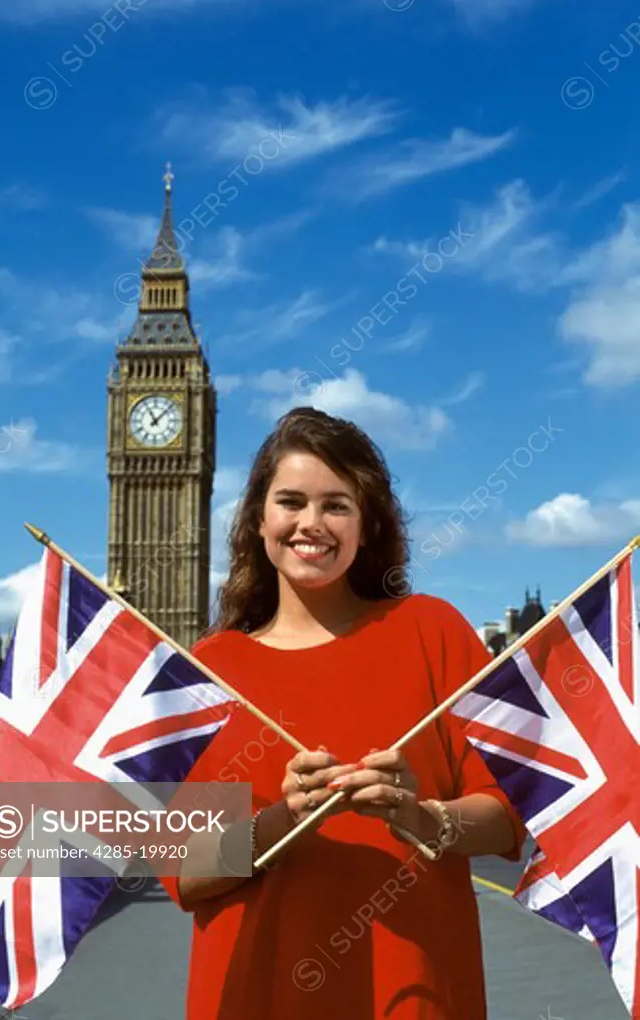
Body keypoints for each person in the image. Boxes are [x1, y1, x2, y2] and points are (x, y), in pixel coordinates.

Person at [159, 406, 526, 1020]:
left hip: (415, 994)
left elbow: (509, 818)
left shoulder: (430, 632)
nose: (312, 523)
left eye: (337, 505)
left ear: (366, 523)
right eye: (291, 501)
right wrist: (284, 819)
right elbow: (184, 873)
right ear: (258, 519)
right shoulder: (209, 669)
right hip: (256, 994)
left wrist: (419, 814)